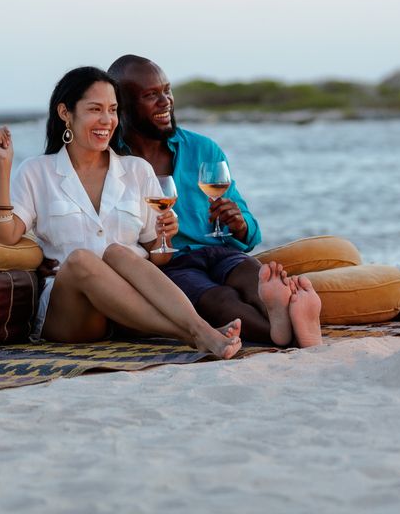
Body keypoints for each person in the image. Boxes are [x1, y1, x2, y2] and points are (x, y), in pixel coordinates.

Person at [0, 66, 243, 359]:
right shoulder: (36, 171)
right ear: (66, 113)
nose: (106, 120)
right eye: (95, 109)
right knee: (81, 259)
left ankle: (198, 329)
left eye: (113, 109)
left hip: (130, 312)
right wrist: (3, 166)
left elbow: (159, 257)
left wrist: (164, 237)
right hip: (74, 315)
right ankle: (194, 333)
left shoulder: (137, 170)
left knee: (119, 252)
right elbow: (3, 236)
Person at [108, 55, 323, 348]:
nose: (166, 101)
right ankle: (291, 335)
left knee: (254, 278)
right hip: (171, 264)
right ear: (122, 104)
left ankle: (285, 325)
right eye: (151, 95)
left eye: (167, 90)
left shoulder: (202, 148)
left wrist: (239, 224)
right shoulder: (113, 160)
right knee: (220, 300)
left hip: (220, 251)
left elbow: (251, 235)